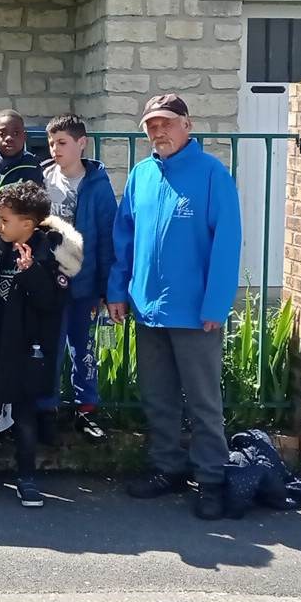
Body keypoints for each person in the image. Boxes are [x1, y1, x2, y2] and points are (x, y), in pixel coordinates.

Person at [107, 93, 243, 522]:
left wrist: (216, 305)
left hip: (196, 313)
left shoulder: (212, 174)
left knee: (203, 403)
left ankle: (212, 479)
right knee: (158, 397)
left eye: (166, 123)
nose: (158, 131)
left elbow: (227, 243)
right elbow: (123, 238)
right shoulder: (141, 174)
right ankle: (167, 468)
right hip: (147, 307)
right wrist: (117, 291)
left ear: (188, 124)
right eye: (152, 125)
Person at [0, 180, 81, 509]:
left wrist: (30, 272)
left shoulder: (52, 253)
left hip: (29, 351)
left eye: (4, 220)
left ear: (27, 224)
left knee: (25, 418)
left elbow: (52, 303)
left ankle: (27, 477)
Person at [33, 114, 118, 443]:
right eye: (51, 143)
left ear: (81, 143)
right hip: (48, 283)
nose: (55, 149)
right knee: (47, 348)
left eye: (62, 143)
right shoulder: (42, 178)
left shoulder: (97, 184)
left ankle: (86, 410)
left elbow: (107, 237)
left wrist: (107, 288)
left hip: (84, 282)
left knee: (84, 348)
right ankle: (46, 410)